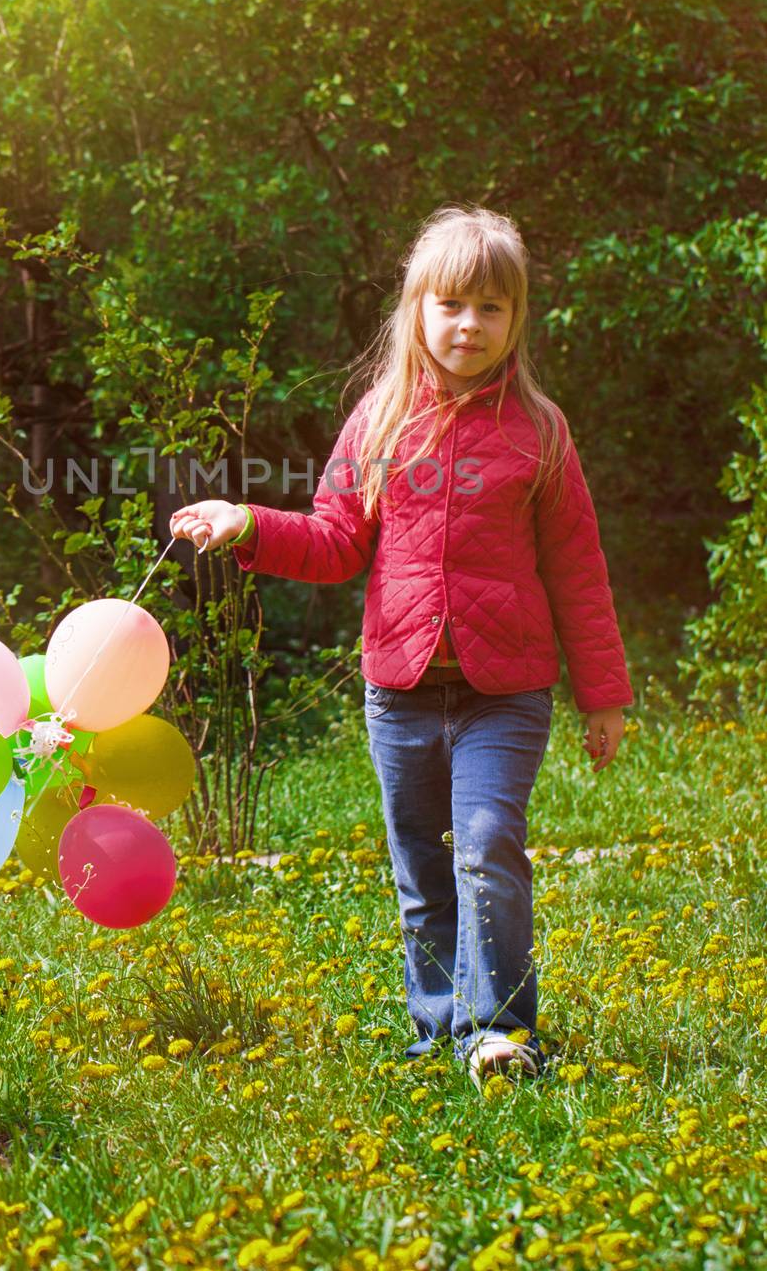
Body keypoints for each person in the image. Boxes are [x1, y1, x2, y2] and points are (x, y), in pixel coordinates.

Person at [169, 205, 631, 1090]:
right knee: (421, 863)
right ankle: (437, 1026)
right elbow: (336, 540)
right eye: (452, 304)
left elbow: (578, 568)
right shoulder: (379, 422)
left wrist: (602, 694)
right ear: (416, 309)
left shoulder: (540, 431)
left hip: (506, 690)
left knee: (488, 841)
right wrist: (248, 524)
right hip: (402, 690)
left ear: (517, 320)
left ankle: (501, 1030)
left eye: (491, 308)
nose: (469, 325)